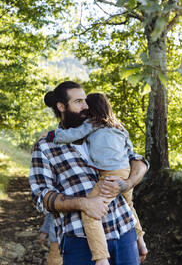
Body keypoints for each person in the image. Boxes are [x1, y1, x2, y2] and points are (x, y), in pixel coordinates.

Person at [29, 81, 149, 265]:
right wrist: (84, 203)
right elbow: (41, 196)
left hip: (125, 234)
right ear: (61, 107)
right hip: (80, 243)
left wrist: (129, 183)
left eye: (86, 100)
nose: (86, 106)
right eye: (78, 102)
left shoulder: (102, 129)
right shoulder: (45, 146)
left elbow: (138, 161)